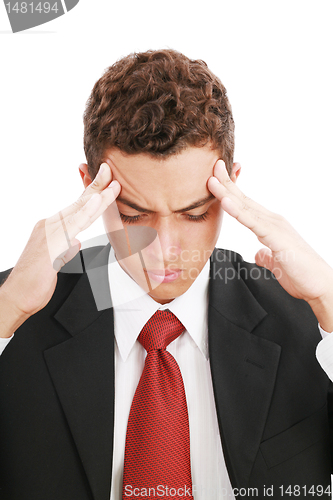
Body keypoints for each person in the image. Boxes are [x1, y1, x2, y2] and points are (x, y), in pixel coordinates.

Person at [0, 49, 333, 500]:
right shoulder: (18, 311)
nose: (166, 251)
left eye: (195, 214)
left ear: (232, 185)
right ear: (88, 188)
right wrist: (8, 309)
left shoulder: (306, 317)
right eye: (134, 216)